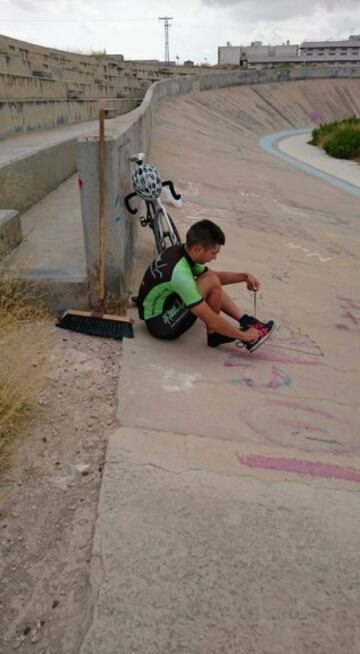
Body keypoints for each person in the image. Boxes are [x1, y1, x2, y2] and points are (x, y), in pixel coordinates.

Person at [136, 219, 275, 352]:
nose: (215, 257)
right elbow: (211, 318)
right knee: (211, 282)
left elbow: (214, 277)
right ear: (198, 249)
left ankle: (246, 320)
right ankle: (215, 335)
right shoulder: (180, 273)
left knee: (210, 279)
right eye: (213, 253)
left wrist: (244, 276)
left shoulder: (181, 252)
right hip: (160, 325)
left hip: (162, 305)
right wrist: (245, 336)